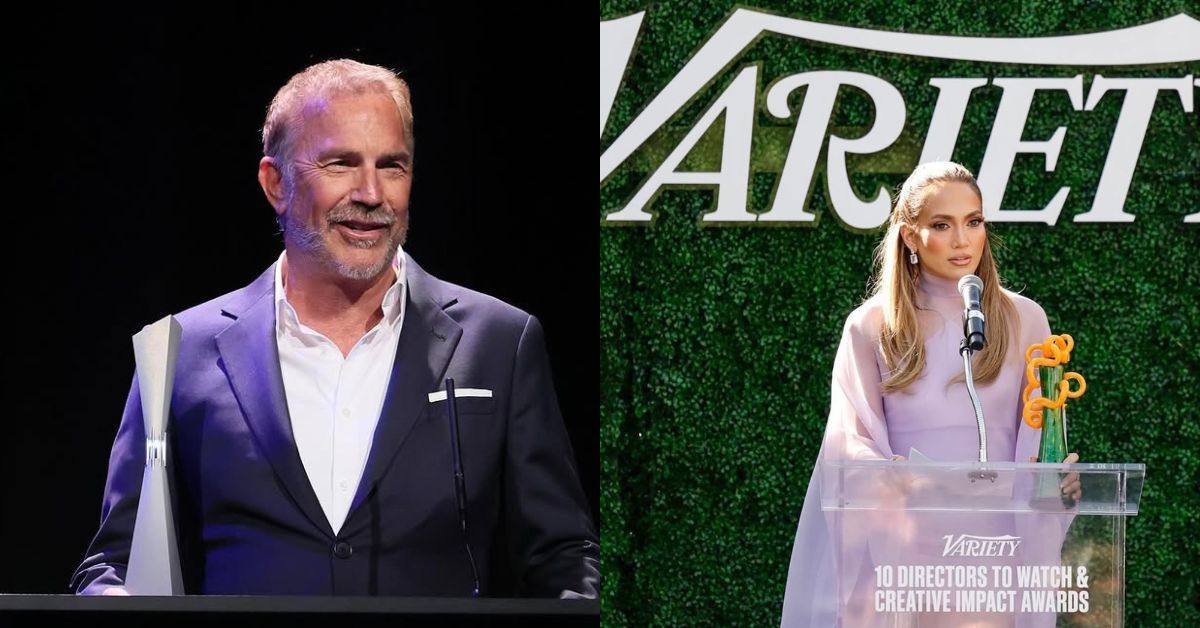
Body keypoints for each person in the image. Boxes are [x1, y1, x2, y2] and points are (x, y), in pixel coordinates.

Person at [70, 59, 599, 597]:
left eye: (392, 165)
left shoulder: (499, 342)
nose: (371, 193)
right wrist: (117, 603)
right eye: (342, 164)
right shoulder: (181, 350)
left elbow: (563, 556)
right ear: (276, 183)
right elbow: (114, 563)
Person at [779, 162, 1078, 626]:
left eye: (973, 222)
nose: (962, 240)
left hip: (996, 549)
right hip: (906, 552)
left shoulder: (1027, 320)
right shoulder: (871, 325)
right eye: (942, 225)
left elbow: (1042, 437)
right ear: (910, 236)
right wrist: (884, 474)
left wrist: (1057, 483)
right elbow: (849, 437)